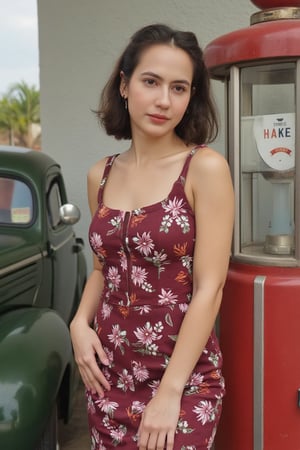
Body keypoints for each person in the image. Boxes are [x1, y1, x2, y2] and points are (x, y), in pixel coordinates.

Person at [70, 23, 234, 450]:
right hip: (109, 378)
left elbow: (210, 288)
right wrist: (78, 323)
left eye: (180, 88)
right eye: (151, 82)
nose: (164, 100)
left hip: (181, 380)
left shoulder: (204, 168)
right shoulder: (100, 176)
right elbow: (103, 269)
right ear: (124, 85)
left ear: (191, 97)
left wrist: (169, 392)